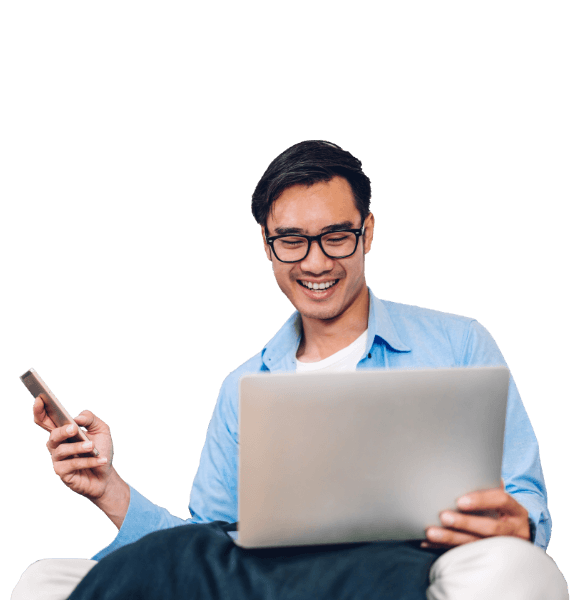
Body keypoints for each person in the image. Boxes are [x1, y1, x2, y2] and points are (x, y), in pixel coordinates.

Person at [13, 140, 569, 599]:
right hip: (272, 575)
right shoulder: (243, 386)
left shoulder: (458, 344)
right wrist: (108, 489)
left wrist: (516, 525)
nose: (317, 261)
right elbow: (209, 545)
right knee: (69, 575)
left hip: (398, 564)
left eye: (336, 236)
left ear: (368, 232)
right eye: (292, 241)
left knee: (478, 573)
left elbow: (524, 499)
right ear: (266, 245)